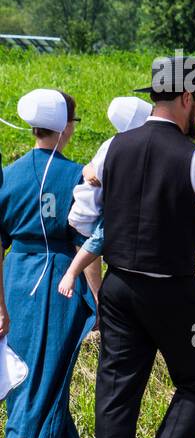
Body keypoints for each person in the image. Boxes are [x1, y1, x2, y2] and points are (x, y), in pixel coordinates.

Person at [70, 55, 195, 438]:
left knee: (117, 390)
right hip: (174, 290)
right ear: (186, 98)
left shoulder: (111, 148)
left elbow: (80, 218)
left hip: (119, 287)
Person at [0, 89, 95, 438]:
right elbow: (86, 241)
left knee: (32, 373)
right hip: (57, 277)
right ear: (64, 127)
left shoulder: (8, 174)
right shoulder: (75, 175)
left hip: (15, 276)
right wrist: (99, 296)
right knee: (45, 375)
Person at [56, 96, 153, 300]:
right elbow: (99, 171)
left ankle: (93, 293)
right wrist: (88, 170)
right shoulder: (121, 146)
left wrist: (88, 169)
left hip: (96, 213)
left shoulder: (119, 143)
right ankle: (88, 290)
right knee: (96, 241)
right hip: (93, 215)